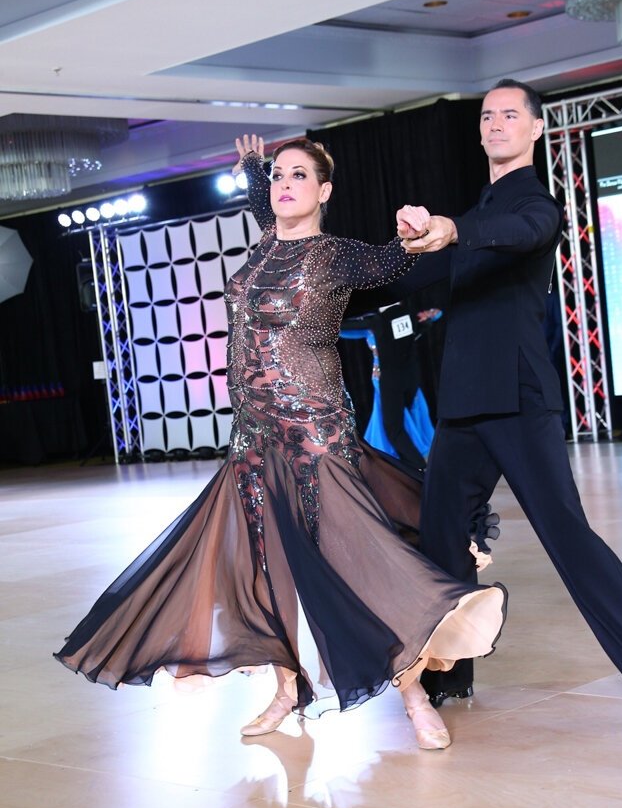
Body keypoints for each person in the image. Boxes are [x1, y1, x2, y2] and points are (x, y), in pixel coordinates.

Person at [55, 135, 507, 750]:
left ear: (324, 191)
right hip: (253, 438)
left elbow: (395, 260)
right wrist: (251, 167)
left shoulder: (337, 255)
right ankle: (287, 690)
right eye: (278, 176)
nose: (284, 183)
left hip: (316, 435)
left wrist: (413, 231)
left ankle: (412, 694)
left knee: (356, 561)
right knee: (270, 569)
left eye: (299, 175)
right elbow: (264, 204)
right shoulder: (267, 238)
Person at [394, 80, 622, 729]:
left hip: (519, 401)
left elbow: (520, 231)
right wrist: (393, 255)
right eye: (487, 115)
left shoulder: (532, 207)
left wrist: (447, 229)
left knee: (569, 539)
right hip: (463, 405)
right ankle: (453, 675)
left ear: (534, 129)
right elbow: (420, 278)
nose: (496, 123)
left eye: (510, 114)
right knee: (442, 539)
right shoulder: (477, 214)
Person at [340, 300, 440, 469]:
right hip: (408, 378)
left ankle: (419, 467)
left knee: (394, 427)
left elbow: (343, 328)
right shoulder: (408, 315)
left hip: (389, 379)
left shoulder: (376, 321)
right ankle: (410, 464)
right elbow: (432, 318)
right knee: (400, 421)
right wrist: (429, 318)